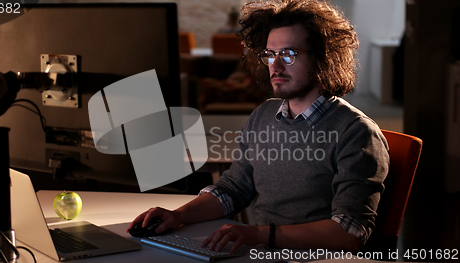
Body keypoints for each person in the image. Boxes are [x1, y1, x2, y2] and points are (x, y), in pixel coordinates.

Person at [128, 0, 389, 253]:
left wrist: (261, 234)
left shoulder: (357, 132)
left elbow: (349, 234)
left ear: (323, 58)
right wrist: (177, 216)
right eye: (270, 54)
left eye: (288, 54)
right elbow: (233, 189)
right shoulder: (264, 114)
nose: (275, 65)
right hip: (262, 251)